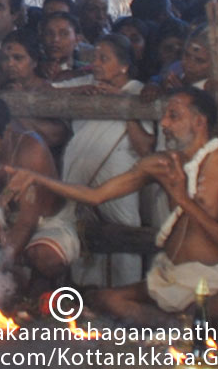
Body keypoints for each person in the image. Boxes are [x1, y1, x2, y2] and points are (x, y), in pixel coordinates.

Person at [5, 88, 218, 325]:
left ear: (199, 122)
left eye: (173, 116)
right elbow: (95, 196)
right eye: (164, 117)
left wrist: (182, 199)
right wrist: (37, 179)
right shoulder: (161, 163)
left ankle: (178, 324)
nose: (165, 125)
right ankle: (181, 325)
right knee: (106, 299)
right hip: (172, 277)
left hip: (217, 277)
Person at [57, 35, 156, 288]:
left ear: (124, 65)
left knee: (125, 238)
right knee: (84, 239)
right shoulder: (86, 85)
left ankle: (122, 308)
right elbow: (44, 90)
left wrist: (123, 105)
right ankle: (88, 309)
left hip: (119, 181)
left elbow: (145, 147)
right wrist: (77, 91)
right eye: (94, 58)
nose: (96, 64)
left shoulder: (137, 92)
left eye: (104, 58)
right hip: (80, 186)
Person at [0, 93, 69, 296]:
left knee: (44, 258)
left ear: (7, 132)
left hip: (45, 222)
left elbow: (27, 223)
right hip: (2, 222)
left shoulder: (30, 151)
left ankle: (42, 284)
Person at [40, 12, 89, 82]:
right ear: (42, 38)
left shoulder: (87, 72)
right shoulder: (30, 70)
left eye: (64, 34)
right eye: (49, 33)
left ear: (77, 39)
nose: (55, 39)